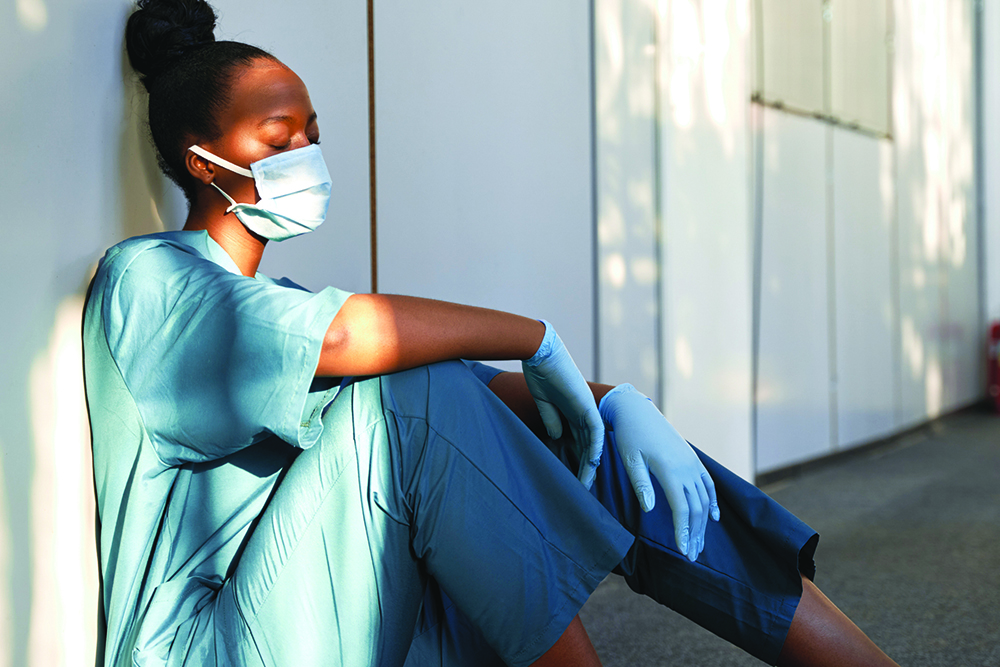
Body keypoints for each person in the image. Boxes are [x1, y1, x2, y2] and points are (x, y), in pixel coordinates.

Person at [83, 1, 899, 665]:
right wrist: (535, 336)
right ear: (202, 160)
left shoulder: (282, 298)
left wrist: (613, 403)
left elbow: (477, 405)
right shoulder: (151, 280)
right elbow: (351, 346)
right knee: (411, 390)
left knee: (596, 437)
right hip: (213, 642)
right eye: (276, 138)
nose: (304, 152)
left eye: (312, 132)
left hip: (352, 612)